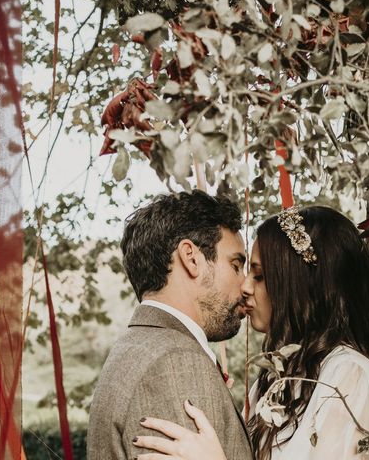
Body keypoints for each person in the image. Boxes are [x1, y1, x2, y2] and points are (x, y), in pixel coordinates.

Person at [133, 206, 369, 460]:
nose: (244, 287)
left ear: (297, 283)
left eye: (258, 275)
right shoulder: (270, 383)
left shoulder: (347, 376)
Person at [87, 190, 253, 460]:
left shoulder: (135, 347)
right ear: (191, 257)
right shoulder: (176, 362)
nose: (245, 285)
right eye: (235, 265)